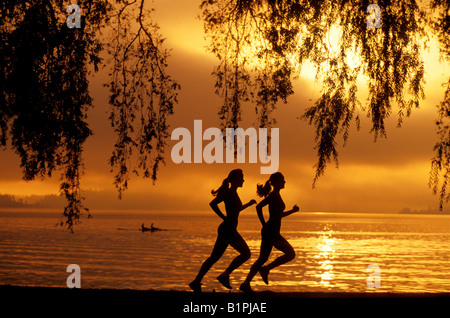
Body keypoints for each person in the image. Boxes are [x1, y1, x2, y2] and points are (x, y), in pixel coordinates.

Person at [189, 169, 256, 292]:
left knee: (214, 257)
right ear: (236, 179)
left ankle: (196, 282)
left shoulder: (233, 193)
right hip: (228, 229)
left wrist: (248, 204)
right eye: (242, 178)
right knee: (246, 253)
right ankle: (224, 275)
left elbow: (236, 209)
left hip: (228, 229)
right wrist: (224, 217)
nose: (244, 180)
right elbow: (213, 203)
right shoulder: (229, 193)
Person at [240, 172, 299, 293]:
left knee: (263, 258)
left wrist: (292, 211)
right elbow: (258, 207)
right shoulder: (273, 195)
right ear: (277, 182)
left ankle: (247, 282)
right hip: (270, 231)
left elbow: (279, 215)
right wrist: (263, 224)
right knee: (290, 253)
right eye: (283, 180)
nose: (285, 182)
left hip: (272, 231)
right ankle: (264, 270)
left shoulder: (277, 195)